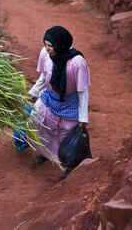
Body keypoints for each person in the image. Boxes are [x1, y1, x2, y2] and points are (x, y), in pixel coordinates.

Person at [28, 26, 90, 179]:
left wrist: (83, 117)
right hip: (50, 97)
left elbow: (83, 91)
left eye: (50, 45)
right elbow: (44, 76)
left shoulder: (77, 63)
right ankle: (45, 153)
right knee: (39, 123)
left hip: (69, 103)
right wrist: (32, 93)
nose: (47, 48)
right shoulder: (45, 54)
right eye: (46, 44)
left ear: (60, 45)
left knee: (66, 135)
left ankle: (70, 165)